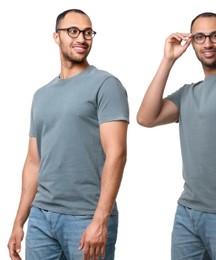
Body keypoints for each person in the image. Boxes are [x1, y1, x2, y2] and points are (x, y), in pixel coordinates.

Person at [137, 12, 216, 260]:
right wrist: (168, 60)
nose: (207, 44)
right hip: (188, 212)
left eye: (214, 36)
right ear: (192, 42)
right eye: (200, 37)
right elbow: (146, 118)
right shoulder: (188, 93)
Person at [7, 9, 129, 260]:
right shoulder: (41, 95)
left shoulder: (106, 85)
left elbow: (116, 154)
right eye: (73, 31)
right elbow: (33, 162)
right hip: (41, 217)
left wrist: (100, 220)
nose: (81, 39)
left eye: (87, 32)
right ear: (56, 36)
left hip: (85, 217)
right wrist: (19, 222)